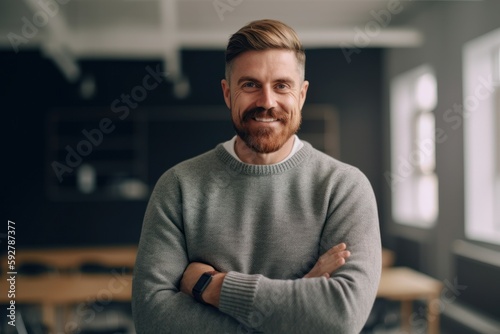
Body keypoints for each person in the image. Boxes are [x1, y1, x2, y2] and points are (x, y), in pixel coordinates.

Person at [132, 19, 381, 333]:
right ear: (227, 93)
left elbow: (341, 317)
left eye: (281, 85)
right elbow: (152, 320)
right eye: (250, 84)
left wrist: (211, 286)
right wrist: (299, 300)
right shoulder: (178, 187)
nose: (266, 101)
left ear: (301, 95)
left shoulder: (344, 188)